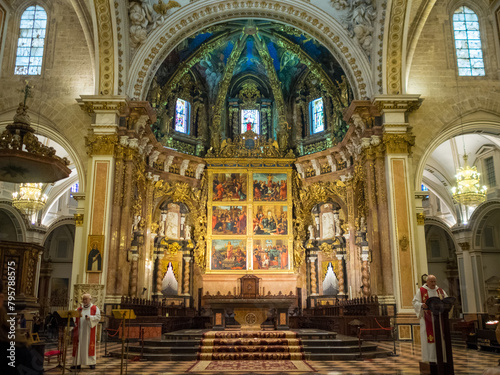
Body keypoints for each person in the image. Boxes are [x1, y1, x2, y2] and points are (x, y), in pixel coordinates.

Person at [412, 274, 448, 363]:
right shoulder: (421, 291)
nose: (433, 283)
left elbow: (446, 301)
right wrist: (421, 305)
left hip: (439, 319)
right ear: (427, 282)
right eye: (431, 281)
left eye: (434, 281)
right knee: (429, 338)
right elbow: (415, 302)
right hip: (427, 319)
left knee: (440, 337)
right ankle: (429, 359)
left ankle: (441, 358)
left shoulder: (440, 291)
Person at [72, 293, 101, 369]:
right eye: (83, 299)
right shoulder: (78, 309)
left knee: (89, 346)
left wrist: (90, 318)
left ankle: (91, 363)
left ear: (90, 299)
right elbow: (73, 319)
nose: (84, 301)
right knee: (79, 346)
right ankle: (77, 363)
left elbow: (98, 317)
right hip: (79, 331)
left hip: (89, 331)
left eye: (86, 299)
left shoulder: (95, 308)